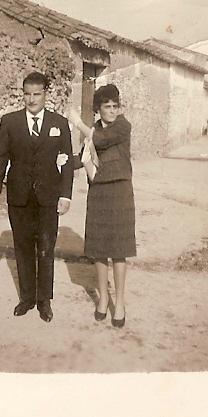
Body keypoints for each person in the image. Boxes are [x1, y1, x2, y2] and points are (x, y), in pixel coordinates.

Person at [0, 72, 74, 323]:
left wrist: (65, 195)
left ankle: (44, 300)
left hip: (48, 197)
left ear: (45, 94)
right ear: (22, 94)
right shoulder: (10, 122)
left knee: (46, 247)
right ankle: (27, 298)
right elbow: (0, 156)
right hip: (19, 196)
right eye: (27, 94)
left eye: (37, 94)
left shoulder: (59, 123)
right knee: (23, 246)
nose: (32, 99)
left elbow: (67, 162)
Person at [69, 84, 136, 328]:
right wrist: (61, 160)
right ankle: (103, 298)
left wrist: (77, 123)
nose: (112, 111)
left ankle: (120, 303)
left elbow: (100, 140)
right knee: (98, 249)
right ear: (98, 109)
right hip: (98, 192)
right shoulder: (95, 129)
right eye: (107, 107)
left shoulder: (123, 126)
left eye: (115, 106)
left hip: (119, 192)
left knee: (119, 249)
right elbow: (83, 157)